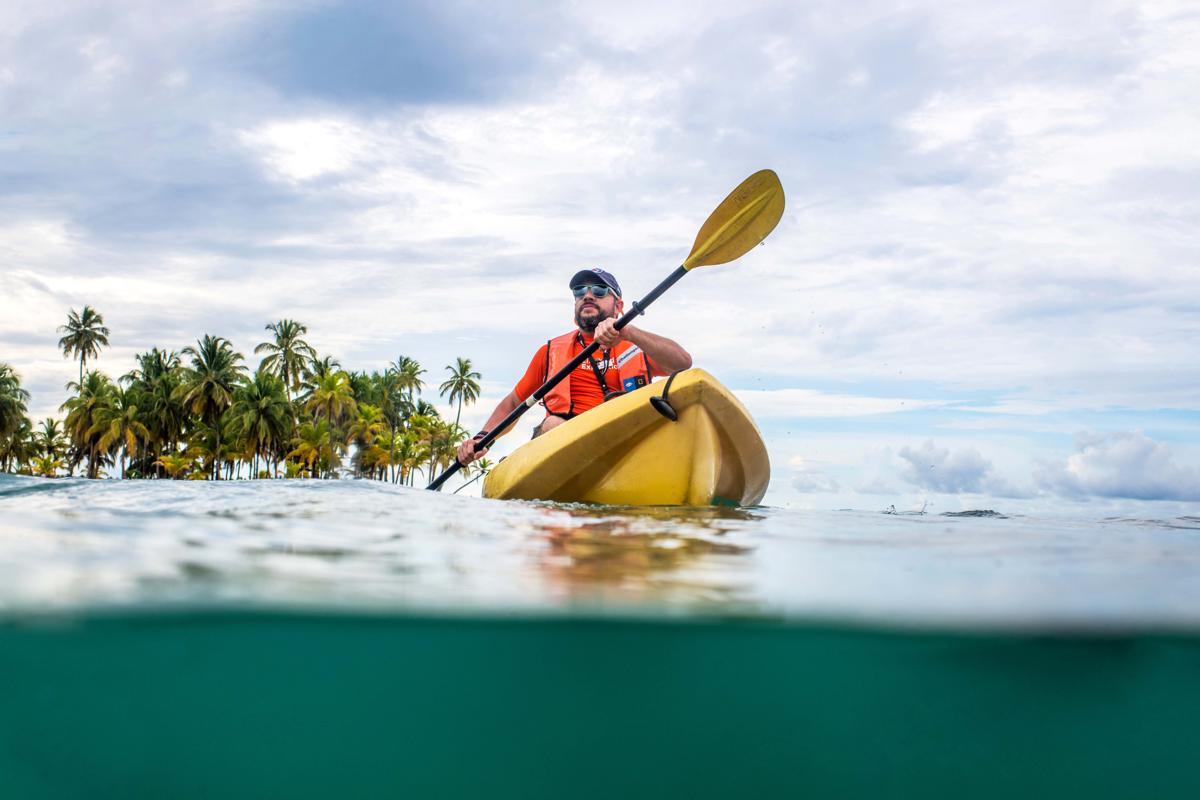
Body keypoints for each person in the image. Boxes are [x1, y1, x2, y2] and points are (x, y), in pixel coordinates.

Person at [456, 268, 692, 466]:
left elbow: (682, 363)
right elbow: (513, 403)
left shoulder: (638, 344)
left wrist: (629, 332)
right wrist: (482, 438)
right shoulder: (550, 352)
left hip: (621, 441)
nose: (587, 296)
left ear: (618, 305)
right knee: (553, 423)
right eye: (580, 292)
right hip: (563, 442)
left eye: (599, 291)